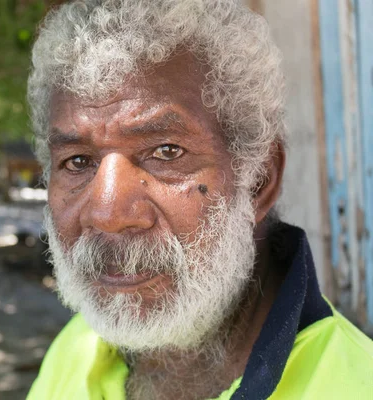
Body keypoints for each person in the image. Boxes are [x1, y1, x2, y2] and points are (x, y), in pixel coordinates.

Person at [26, 1, 373, 399]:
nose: (107, 213)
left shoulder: (356, 384)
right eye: (78, 161)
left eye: (167, 152)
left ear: (258, 180)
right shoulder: (77, 346)